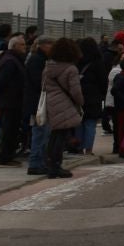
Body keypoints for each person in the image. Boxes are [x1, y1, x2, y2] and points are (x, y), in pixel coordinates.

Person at [39, 37, 81, 179]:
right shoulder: (71, 69)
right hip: (65, 104)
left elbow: (43, 86)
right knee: (61, 137)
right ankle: (56, 166)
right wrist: (80, 102)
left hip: (52, 103)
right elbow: (75, 91)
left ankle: (51, 164)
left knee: (55, 135)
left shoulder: (48, 67)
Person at [0, 36, 27, 166]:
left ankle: (8, 155)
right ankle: (5, 157)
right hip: (10, 101)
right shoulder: (10, 61)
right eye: (22, 45)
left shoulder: (13, 59)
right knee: (9, 129)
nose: (25, 47)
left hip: (13, 100)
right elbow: (3, 80)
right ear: (14, 46)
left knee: (11, 129)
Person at [22, 36, 51, 173]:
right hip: (37, 104)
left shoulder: (38, 59)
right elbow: (38, 82)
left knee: (41, 132)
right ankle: (35, 163)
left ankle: (39, 162)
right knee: (40, 132)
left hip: (37, 102)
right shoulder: (37, 60)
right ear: (44, 45)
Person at [76, 37, 105, 153]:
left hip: (78, 95)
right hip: (93, 97)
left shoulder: (78, 61)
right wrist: (101, 94)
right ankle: (88, 149)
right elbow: (102, 81)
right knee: (90, 124)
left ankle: (78, 147)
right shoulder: (98, 62)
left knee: (79, 123)